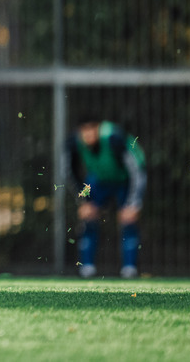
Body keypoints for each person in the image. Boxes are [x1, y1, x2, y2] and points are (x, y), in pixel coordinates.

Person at [68, 116, 146, 279]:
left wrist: (133, 204)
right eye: (84, 130)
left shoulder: (114, 139)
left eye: (91, 129)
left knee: (128, 221)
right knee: (88, 217)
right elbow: (70, 174)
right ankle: (87, 268)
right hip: (98, 181)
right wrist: (83, 201)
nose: (87, 134)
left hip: (123, 180)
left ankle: (129, 269)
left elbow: (137, 171)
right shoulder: (74, 143)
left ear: (99, 128)